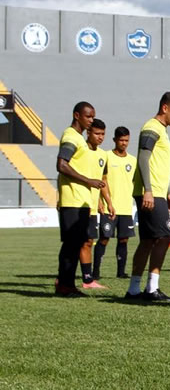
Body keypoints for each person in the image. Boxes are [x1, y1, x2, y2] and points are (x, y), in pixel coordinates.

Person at [125, 92, 170, 303]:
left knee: (149, 240)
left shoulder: (160, 130)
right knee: (164, 237)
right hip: (150, 193)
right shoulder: (152, 127)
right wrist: (149, 190)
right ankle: (151, 288)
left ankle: (134, 290)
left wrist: (167, 191)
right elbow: (143, 157)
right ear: (164, 108)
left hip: (157, 192)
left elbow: (156, 165)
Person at [54, 102, 106, 297]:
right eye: (88, 116)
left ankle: (66, 283)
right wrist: (88, 180)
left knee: (76, 243)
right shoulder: (71, 137)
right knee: (71, 244)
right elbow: (61, 164)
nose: (91, 120)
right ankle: (64, 285)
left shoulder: (79, 139)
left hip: (82, 201)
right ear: (77, 115)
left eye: (93, 116)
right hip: (73, 200)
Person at [95, 126, 136, 280]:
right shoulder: (106, 156)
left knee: (123, 240)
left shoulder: (133, 160)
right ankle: (96, 272)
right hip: (108, 208)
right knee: (104, 238)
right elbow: (100, 180)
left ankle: (121, 272)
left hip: (125, 207)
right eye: (121, 140)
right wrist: (99, 201)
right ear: (115, 140)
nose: (124, 143)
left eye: (126, 140)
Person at [79, 119, 114, 290]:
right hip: (77, 203)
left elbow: (103, 180)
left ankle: (87, 279)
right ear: (88, 133)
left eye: (103, 134)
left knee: (88, 241)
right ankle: (69, 277)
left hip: (93, 205)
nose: (100, 137)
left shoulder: (103, 155)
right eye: (97, 134)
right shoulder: (80, 149)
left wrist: (108, 202)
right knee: (77, 242)